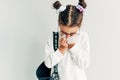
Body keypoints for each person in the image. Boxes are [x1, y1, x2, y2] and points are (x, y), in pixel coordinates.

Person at [44, 0, 90, 80]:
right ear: (59, 24)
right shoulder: (53, 38)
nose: (67, 36)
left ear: (80, 25)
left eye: (72, 34)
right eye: (63, 32)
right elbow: (48, 64)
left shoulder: (83, 37)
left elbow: (84, 64)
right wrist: (61, 50)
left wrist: (73, 47)